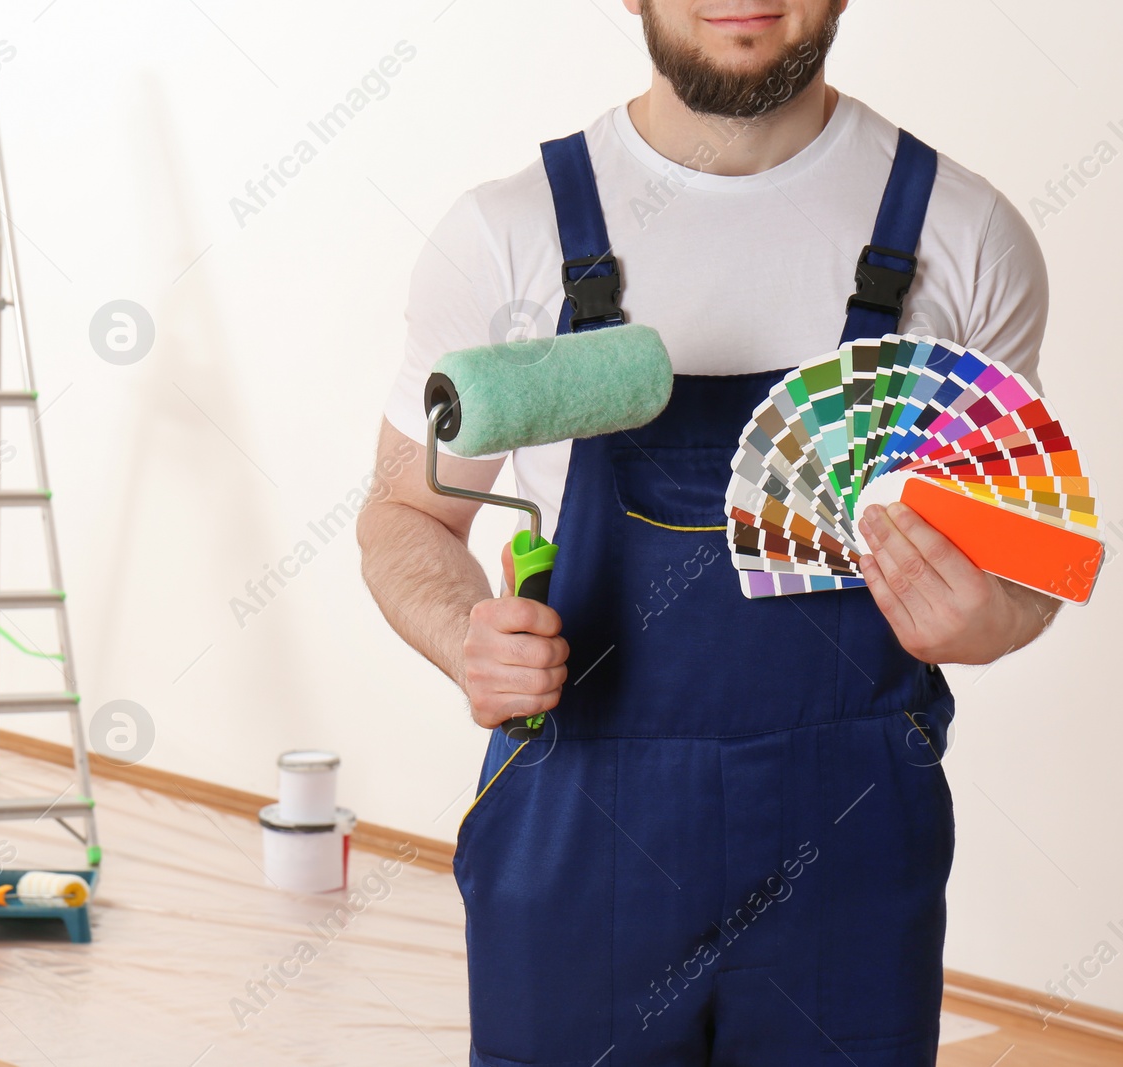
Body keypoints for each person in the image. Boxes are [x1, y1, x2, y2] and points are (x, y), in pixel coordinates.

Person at [356, 2, 1058, 1063]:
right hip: (580, 832)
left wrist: (992, 615)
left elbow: (1031, 567)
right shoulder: (510, 233)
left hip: (852, 838)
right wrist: (464, 635)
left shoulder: (962, 235)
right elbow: (405, 510)